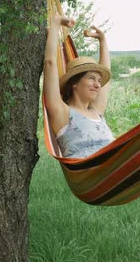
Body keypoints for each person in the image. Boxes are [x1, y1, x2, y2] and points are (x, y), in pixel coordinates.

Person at [44, 15, 114, 158]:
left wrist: (103, 41)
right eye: (91, 78)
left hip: (116, 164)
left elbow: (106, 72)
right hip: (88, 172)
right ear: (74, 83)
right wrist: (56, 23)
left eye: (99, 81)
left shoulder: (96, 111)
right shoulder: (62, 112)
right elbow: (50, 63)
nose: (97, 85)